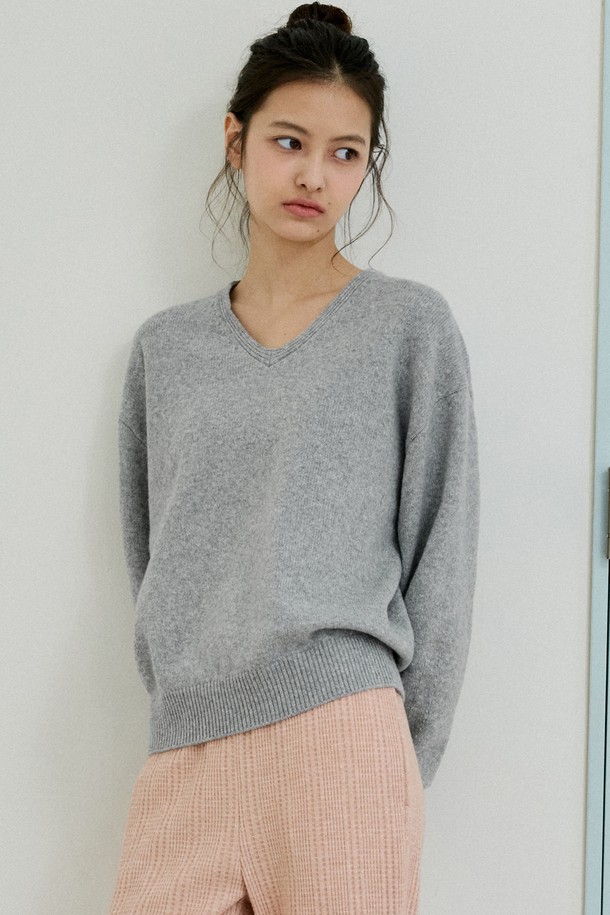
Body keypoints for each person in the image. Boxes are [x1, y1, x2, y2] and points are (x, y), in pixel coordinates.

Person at [108, 4, 480, 913]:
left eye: (346, 153)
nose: (315, 174)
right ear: (236, 141)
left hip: (343, 740)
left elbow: (444, 555)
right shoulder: (167, 349)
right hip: (187, 751)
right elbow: (152, 554)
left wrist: (395, 753)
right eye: (289, 142)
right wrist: (187, 694)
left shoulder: (408, 328)